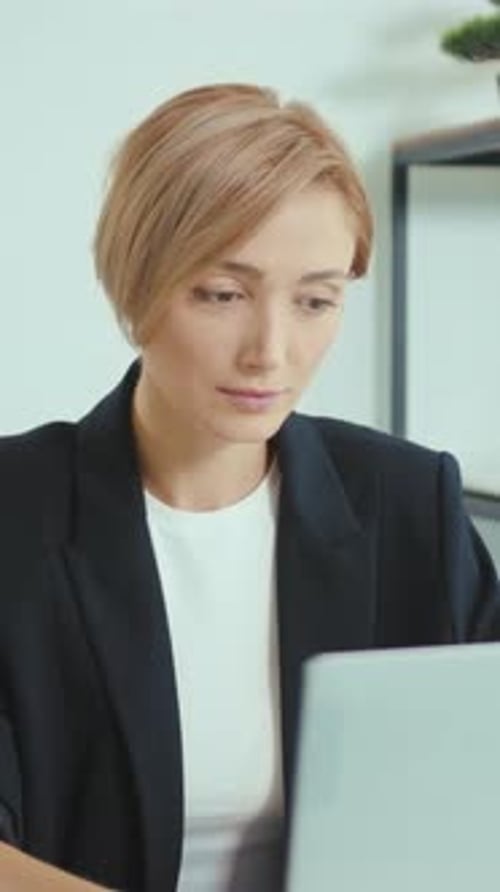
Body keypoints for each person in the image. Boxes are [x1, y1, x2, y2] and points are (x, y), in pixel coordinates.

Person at [0, 82, 499, 892]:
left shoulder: (410, 502)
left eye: (315, 301)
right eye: (223, 295)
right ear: (137, 288)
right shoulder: (15, 511)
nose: (271, 350)